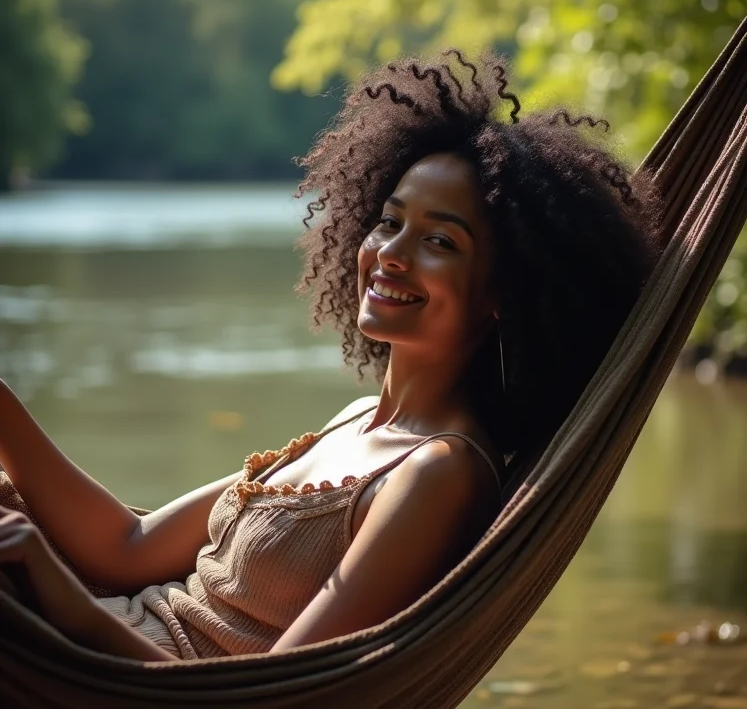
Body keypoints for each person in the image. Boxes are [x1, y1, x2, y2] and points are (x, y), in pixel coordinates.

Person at [0, 50, 661, 661]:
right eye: (389, 220)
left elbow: (281, 693)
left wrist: (64, 610)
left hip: (110, 673)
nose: (391, 254)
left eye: (441, 242)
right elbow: (125, 550)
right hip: (90, 637)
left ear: (504, 292)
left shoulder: (439, 474)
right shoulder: (358, 417)